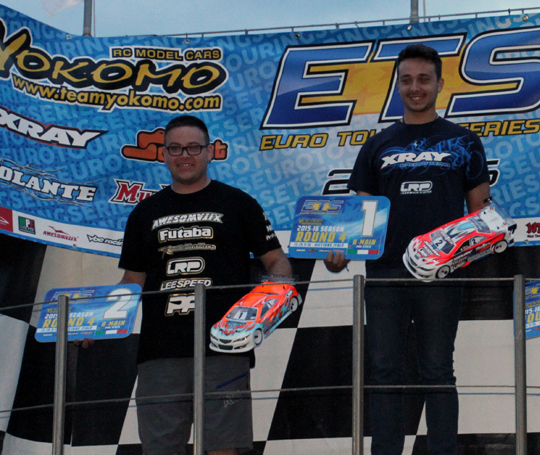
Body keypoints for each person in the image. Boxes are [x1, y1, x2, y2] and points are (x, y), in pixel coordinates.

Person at [325, 44, 490, 455]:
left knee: (438, 370)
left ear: (439, 84)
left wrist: (472, 246)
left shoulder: (465, 141)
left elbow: (480, 214)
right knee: (384, 372)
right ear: (397, 85)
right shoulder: (377, 144)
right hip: (385, 273)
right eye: (407, 80)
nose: (415, 87)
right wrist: (339, 252)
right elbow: (359, 217)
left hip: (441, 273)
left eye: (424, 79)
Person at [118, 115, 292, 455]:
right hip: (160, 352)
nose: (185, 155)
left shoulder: (239, 203)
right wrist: (95, 323)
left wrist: (273, 298)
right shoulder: (143, 213)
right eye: (175, 148)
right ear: (164, 154)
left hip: (225, 348)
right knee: (160, 450)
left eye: (194, 147)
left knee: (224, 447)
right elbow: (131, 282)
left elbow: (276, 261)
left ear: (210, 152)